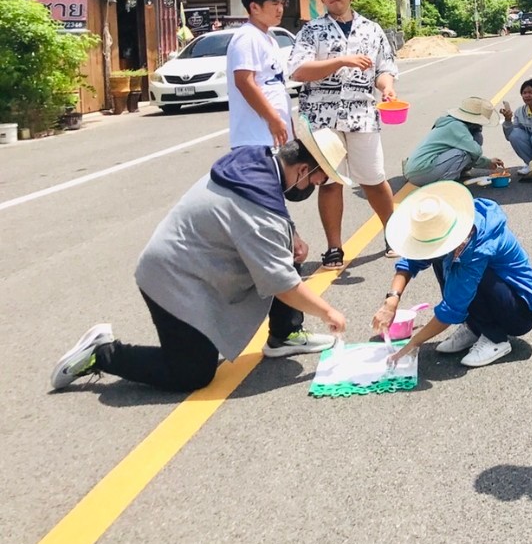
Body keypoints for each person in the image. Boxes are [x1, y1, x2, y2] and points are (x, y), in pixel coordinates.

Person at [50, 119, 349, 393]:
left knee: (285, 247)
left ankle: (284, 334)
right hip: (171, 277)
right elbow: (281, 283)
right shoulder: (259, 214)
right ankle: (102, 353)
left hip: (186, 260)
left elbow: (270, 213)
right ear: (302, 170)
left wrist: (290, 233)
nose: (314, 187)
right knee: (192, 373)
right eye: (316, 181)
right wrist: (328, 313)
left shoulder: (257, 160)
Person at [288, 0, 399, 269]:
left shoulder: (372, 30)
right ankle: (334, 247)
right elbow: (298, 70)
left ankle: (394, 234)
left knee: (373, 178)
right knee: (329, 180)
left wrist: (387, 87)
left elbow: (384, 68)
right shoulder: (311, 31)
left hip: (362, 113)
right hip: (321, 117)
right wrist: (340, 61)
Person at [379, 182, 532, 369]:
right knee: (440, 259)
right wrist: (392, 299)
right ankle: (475, 327)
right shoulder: (451, 223)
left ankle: (495, 339)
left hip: (520, 311)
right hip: (499, 297)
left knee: (468, 276)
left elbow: (453, 306)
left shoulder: (479, 245)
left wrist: (412, 343)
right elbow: (411, 262)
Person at [227, 0, 292, 149]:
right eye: (274, 4)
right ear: (255, 7)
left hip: (274, 137)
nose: (280, 9)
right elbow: (244, 82)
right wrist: (273, 119)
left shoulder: (269, 39)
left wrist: (287, 125)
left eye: (282, 4)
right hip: (256, 139)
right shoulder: (247, 37)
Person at [403, 96, 505, 186]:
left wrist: (487, 162)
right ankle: (444, 184)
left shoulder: (451, 122)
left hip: (416, 170)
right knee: (464, 153)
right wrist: (487, 163)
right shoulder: (457, 127)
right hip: (422, 171)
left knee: (472, 142)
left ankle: (457, 172)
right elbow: (475, 151)